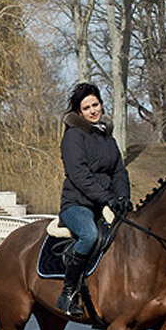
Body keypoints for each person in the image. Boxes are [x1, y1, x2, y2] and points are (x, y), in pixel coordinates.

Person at [56, 82, 132, 317]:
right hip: (77, 204)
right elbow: (79, 175)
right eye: (87, 107)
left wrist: (122, 198)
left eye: (95, 105)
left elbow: (119, 172)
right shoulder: (73, 137)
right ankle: (67, 293)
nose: (92, 111)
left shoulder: (108, 138)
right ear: (79, 112)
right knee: (88, 235)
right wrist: (107, 198)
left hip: (104, 203)